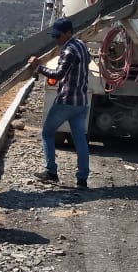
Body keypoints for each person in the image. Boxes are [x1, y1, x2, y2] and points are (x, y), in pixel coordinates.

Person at [27, 18, 91, 188]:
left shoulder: (68, 50)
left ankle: (51, 172)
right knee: (80, 140)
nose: (56, 40)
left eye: (58, 36)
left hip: (66, 101)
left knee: (47, 132)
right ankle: (82, 179)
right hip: (82, 102)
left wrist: (37, 67)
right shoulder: (81, 45)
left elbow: (58, 74)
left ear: (68, 33)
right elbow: (87, 62)